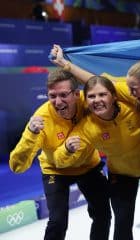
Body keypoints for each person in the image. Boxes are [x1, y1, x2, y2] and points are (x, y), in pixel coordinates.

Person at [49, 45, 140, 240]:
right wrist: (64, 64)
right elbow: (95, 83)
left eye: (103, 95)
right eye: (91, 97)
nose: (97, 100)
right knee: (122, 224)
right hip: (121, 174)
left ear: (113, 96)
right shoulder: (88, 126)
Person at [9, 68, 111, 240]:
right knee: (57, 221)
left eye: (63, 95)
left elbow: (105, 88)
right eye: (52, 96)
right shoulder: (41, 119)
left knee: (103, 214)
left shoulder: (88, 105)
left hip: (88, 167)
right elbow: (17, 166)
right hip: (55, 170)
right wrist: (30, 134)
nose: (57, 102)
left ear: (77, 94)